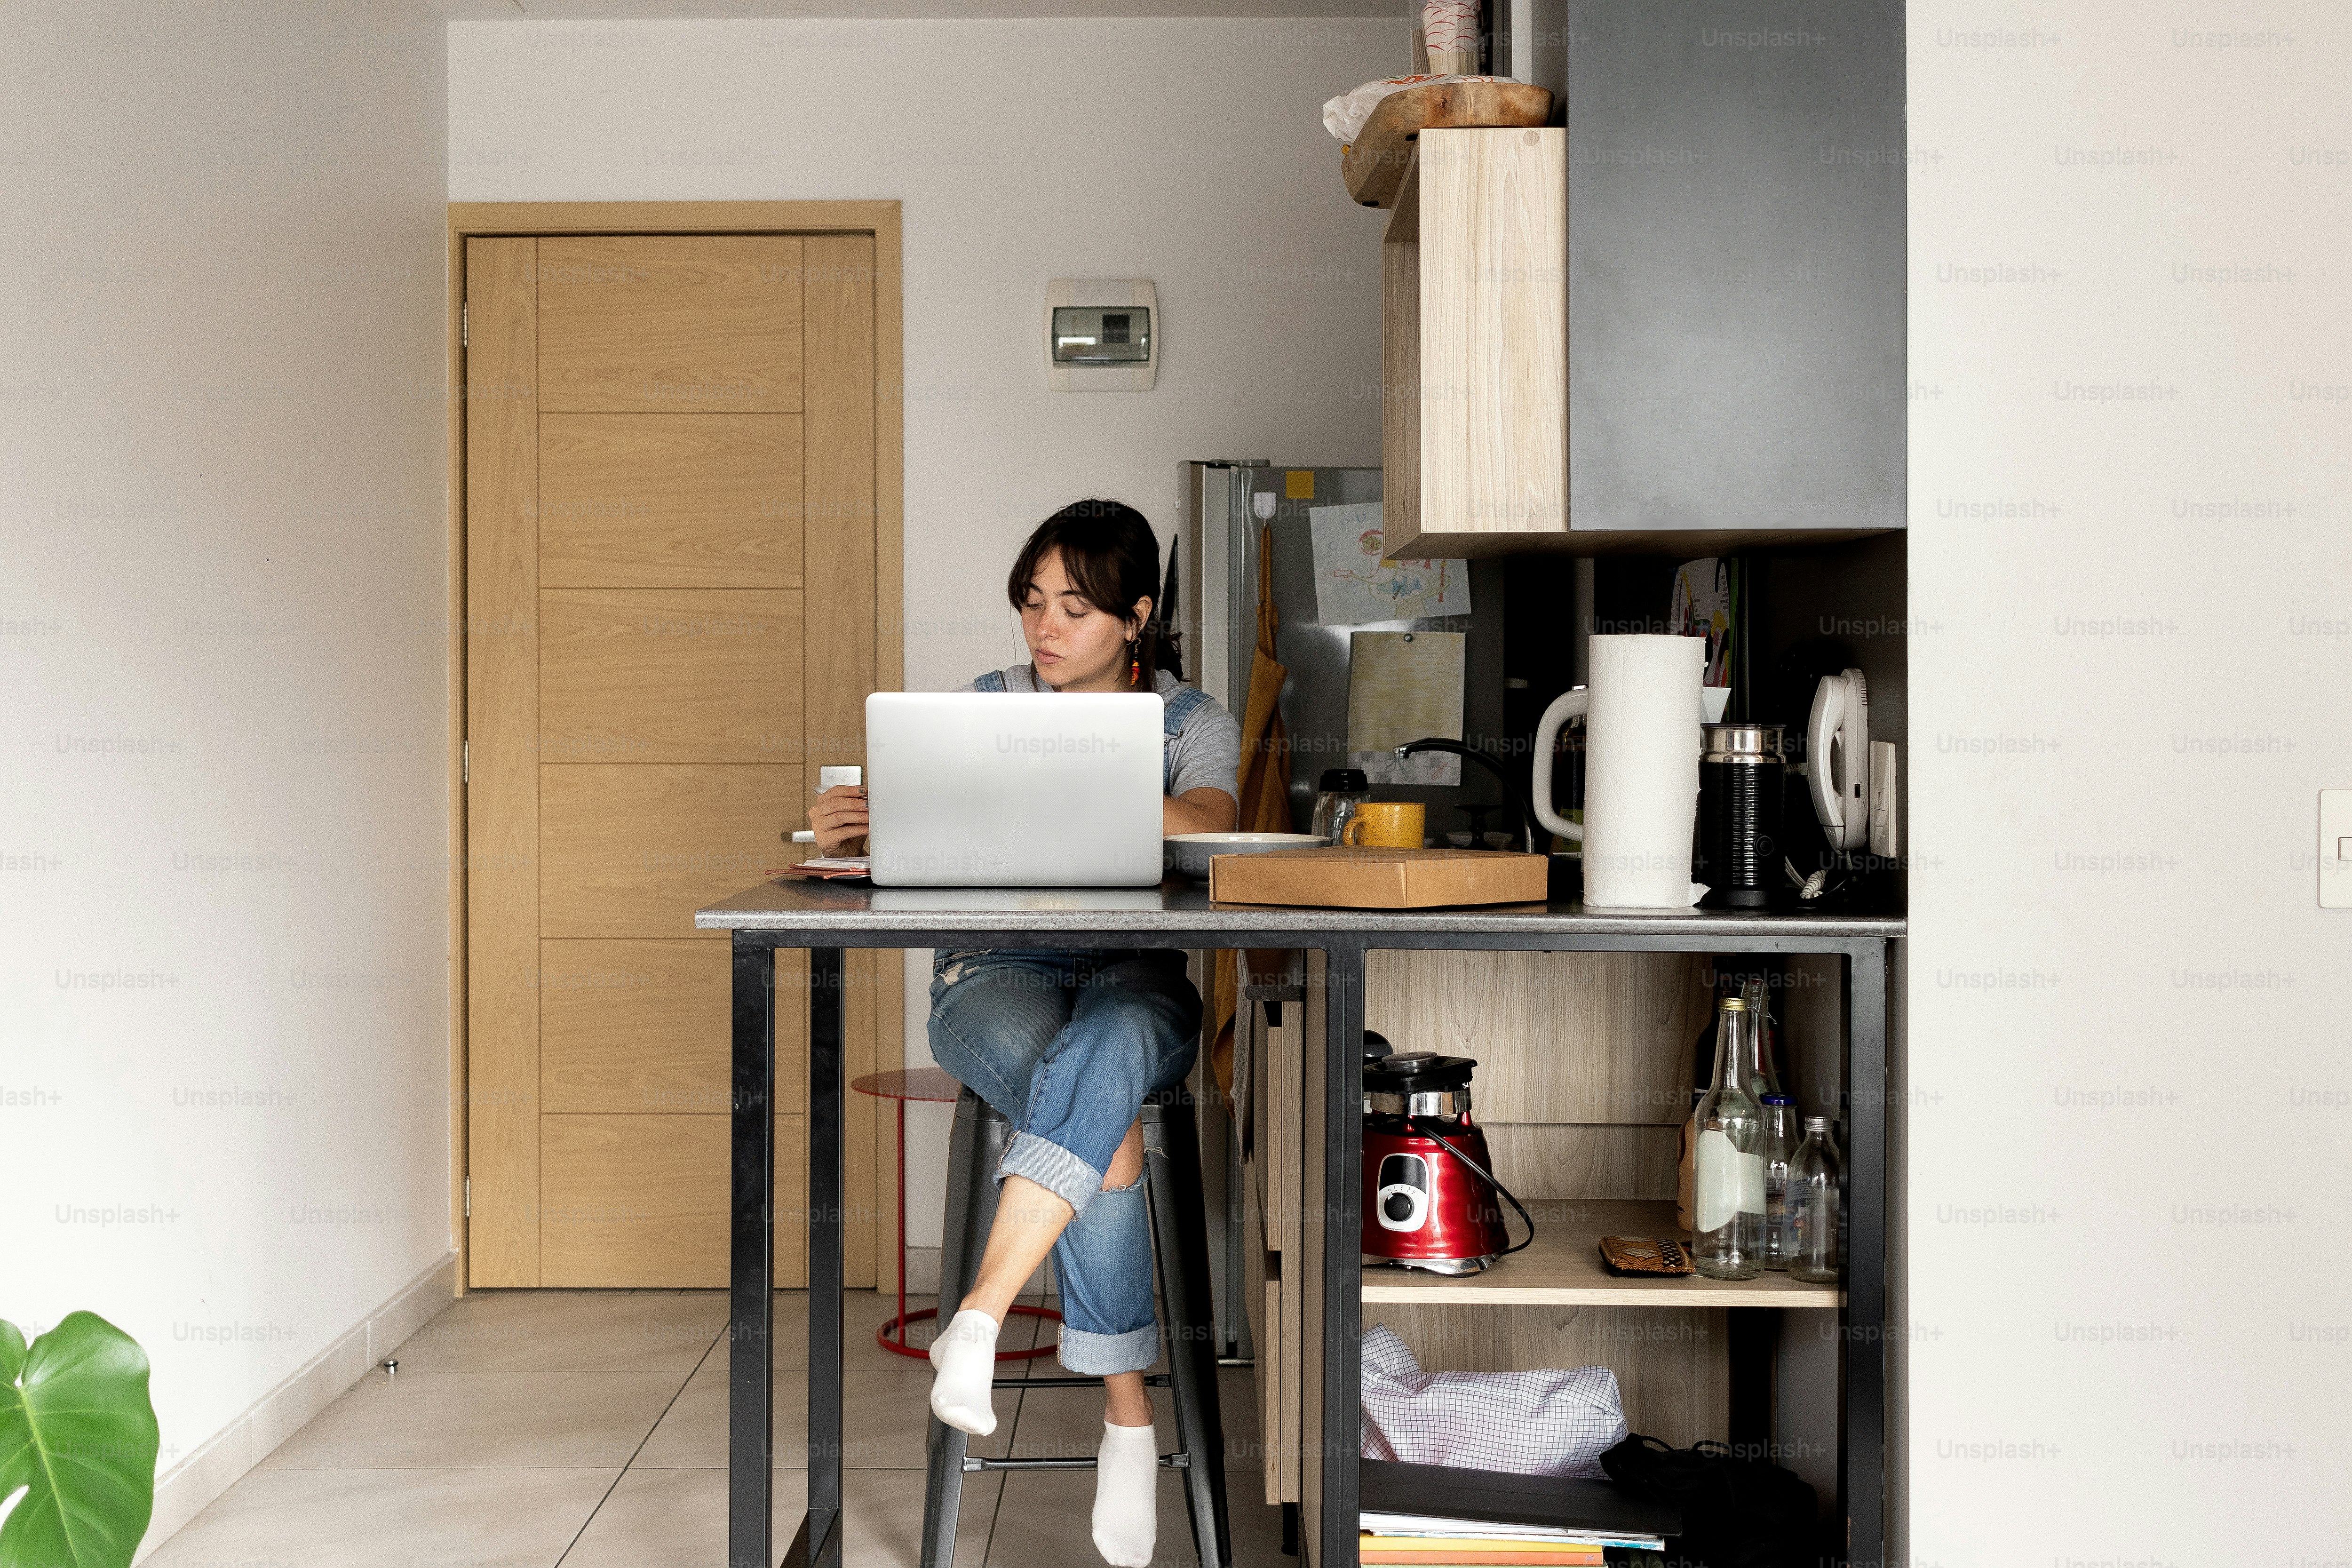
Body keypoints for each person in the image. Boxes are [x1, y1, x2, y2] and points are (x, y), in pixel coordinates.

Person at [806, 499, 1240, 1568]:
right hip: (992, 973)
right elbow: (918, 826)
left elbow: (1214, 820)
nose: (1044, 628)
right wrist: (853, 824)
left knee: (1107, 1048)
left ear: (1136, 617)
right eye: (1032, 602)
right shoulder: (985, 706)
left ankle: (980, 1314)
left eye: (1076, 607)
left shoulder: (1189, 719)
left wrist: (1075, 787)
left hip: (1133, 975)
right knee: (1101, 1098)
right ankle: (1128, 1415)